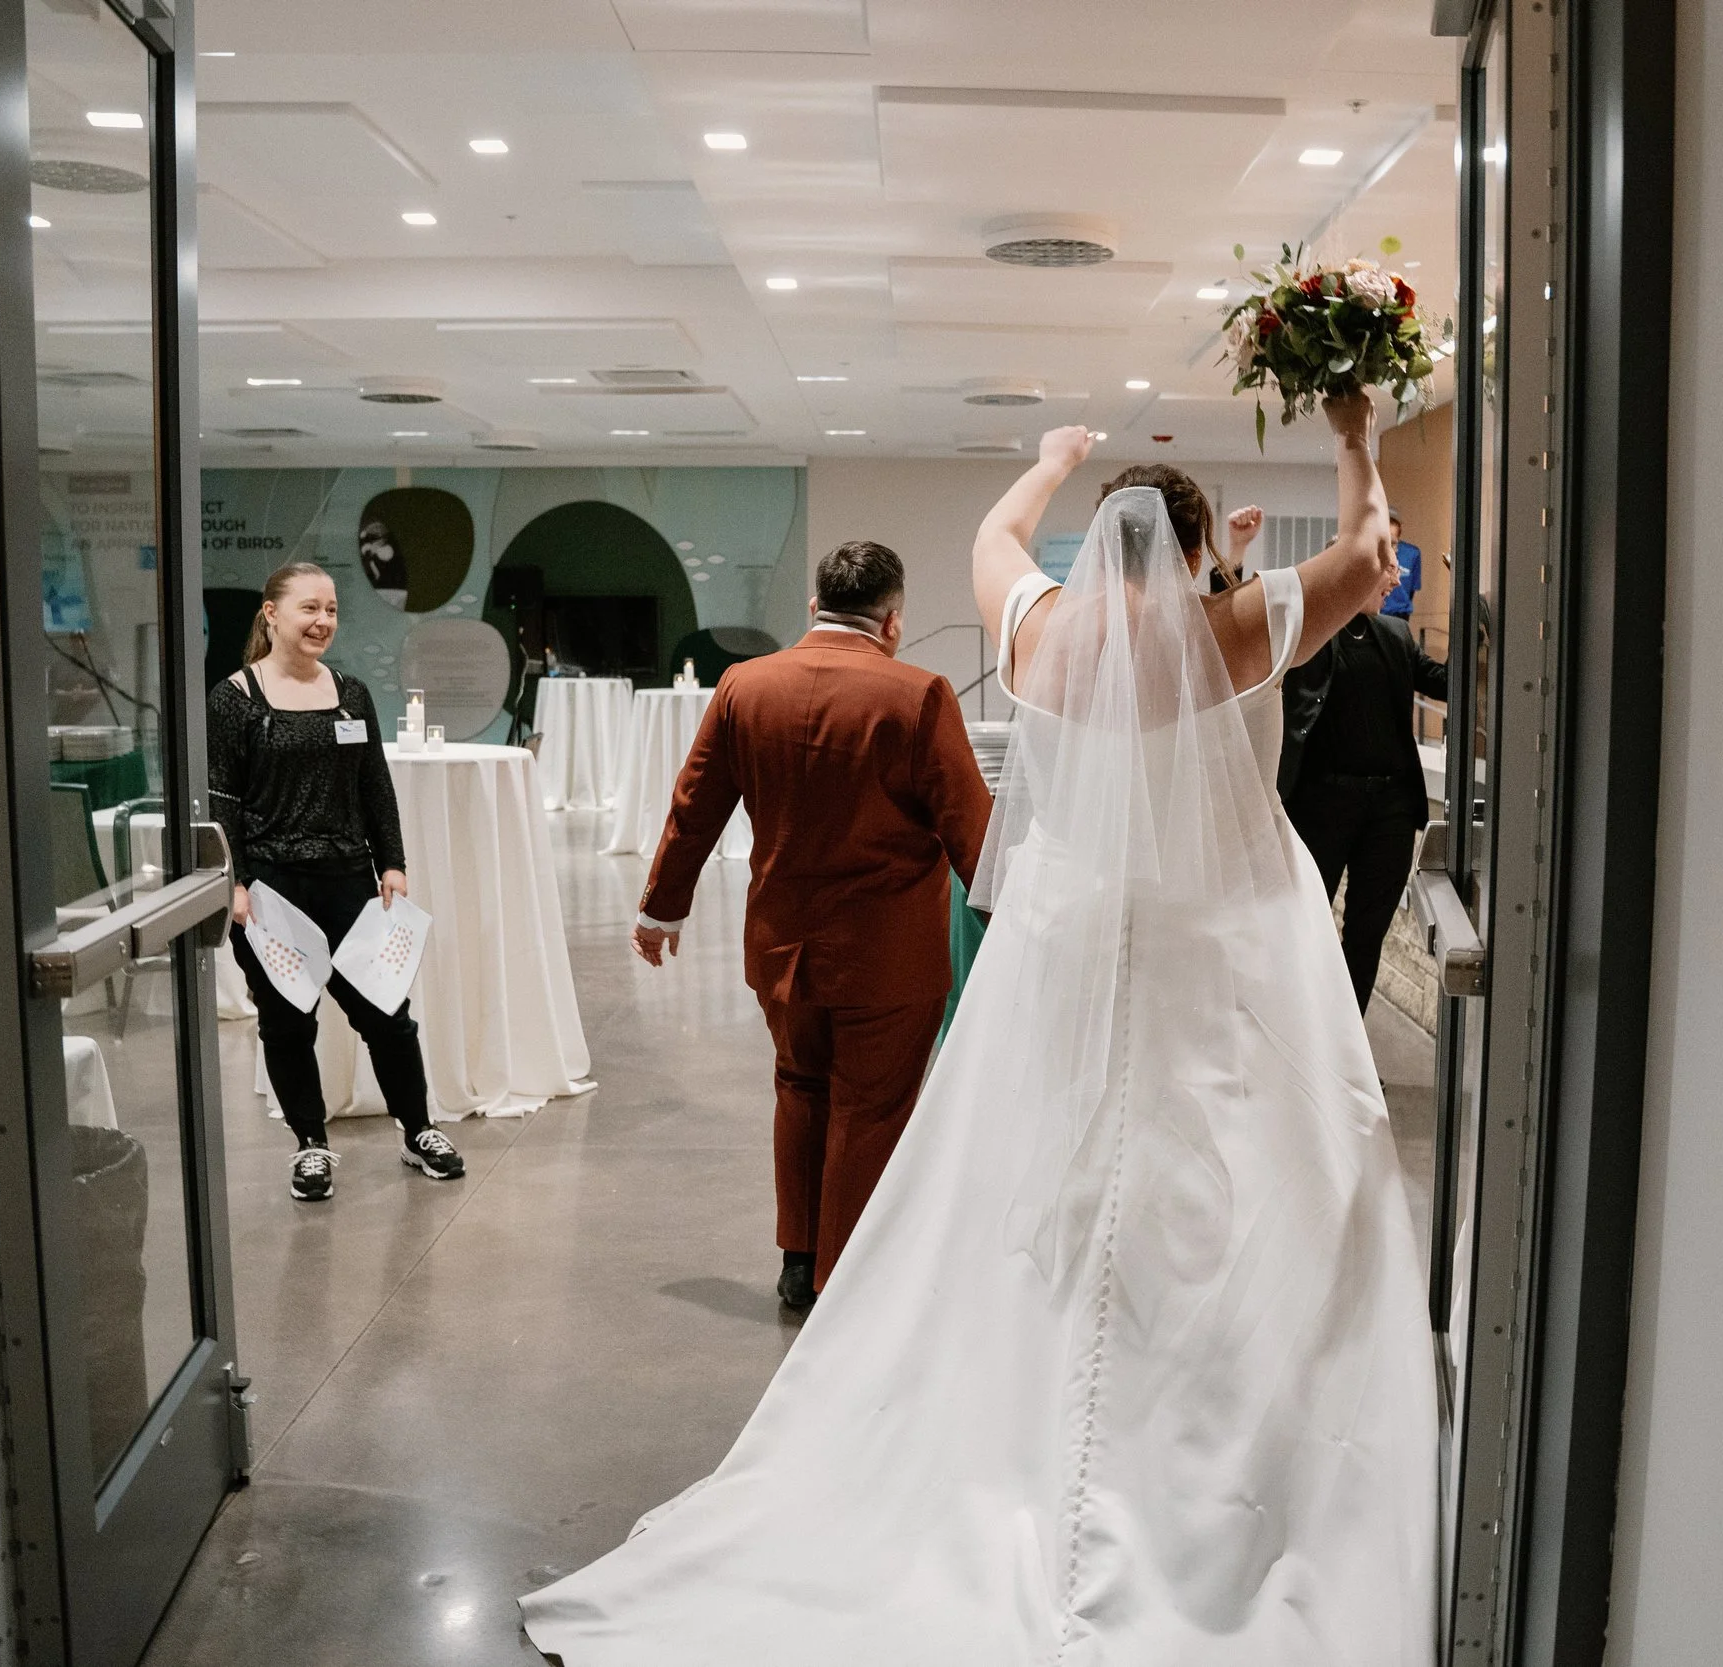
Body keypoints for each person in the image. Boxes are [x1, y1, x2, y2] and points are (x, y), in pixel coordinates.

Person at [522, 394, 1439, 1664]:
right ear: (1188, 553)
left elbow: (994, 538)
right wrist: (1353, 439)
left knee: (1037, 1183)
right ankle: (1198, 1446)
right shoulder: (1237, 629)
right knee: (1217, 1186)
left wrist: (1050, 463)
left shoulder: (1039, 631)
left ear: (1098, 551)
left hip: (1061, 955)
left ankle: (1021, 1419)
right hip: (1215, 951)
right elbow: (1370, 558)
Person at [629, 540, 992, 1313]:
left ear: (813, 608)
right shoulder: (919, 693)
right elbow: (974, 836)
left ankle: (799, 1259)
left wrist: (662, 907)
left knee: (799, 1087)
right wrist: (1016, 922)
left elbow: (694, 807)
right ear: (892, 622)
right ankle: (846, 1277)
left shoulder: (744, 685)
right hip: (888, 955)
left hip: (782, 947)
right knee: (871, 1104)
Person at [208, 562, 464, 1201]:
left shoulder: (351, 693)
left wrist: (394, 863)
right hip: (271, 893)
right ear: (272, 614)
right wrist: (234, 883)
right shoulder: (235, 698)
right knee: (288, 1023)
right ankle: (310, 1144)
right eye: (309, 609)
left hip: (351, 881)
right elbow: (222, 801)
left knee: (386, 1015)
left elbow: (374, 784)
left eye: (331, 610)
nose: (323, 621)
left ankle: (418, 1129)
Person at [1280, 530, 1450, 1011]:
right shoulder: (1307, 630)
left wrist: (1471, 616)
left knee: (1366, 935)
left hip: (1389, 811)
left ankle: (1347, 1059)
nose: (1395, 580)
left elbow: (1445, 684)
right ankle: (1305, 1044)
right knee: (1305, 927)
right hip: (1319, 805)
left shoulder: (1394, 634)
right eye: (1388, 569)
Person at [1380, 509, 1423, 617]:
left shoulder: (1412, 553)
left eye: (1394, 543)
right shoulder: (1373, 552)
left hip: (1400, 612)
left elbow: (1413, 588)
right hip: (1378, 611)